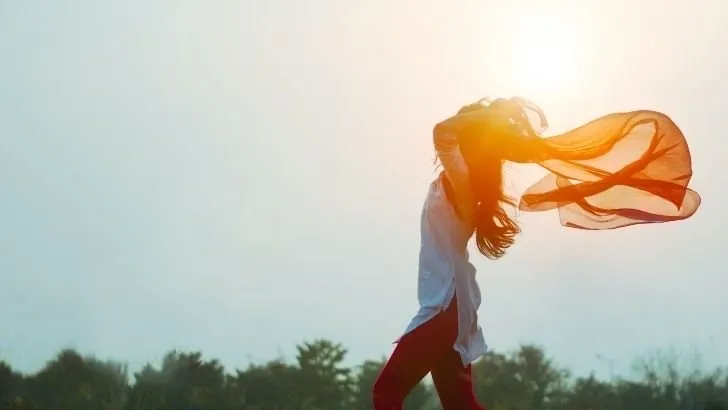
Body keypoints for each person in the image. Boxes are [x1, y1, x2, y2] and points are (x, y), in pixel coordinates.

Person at [371, 97, 701, 410]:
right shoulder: (467, 181)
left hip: (445, 305)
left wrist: (486, 120)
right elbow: (449, 133)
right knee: (461, 406)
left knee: (386, 392)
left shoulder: (463, 179)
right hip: (452, 306)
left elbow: (442, 132)